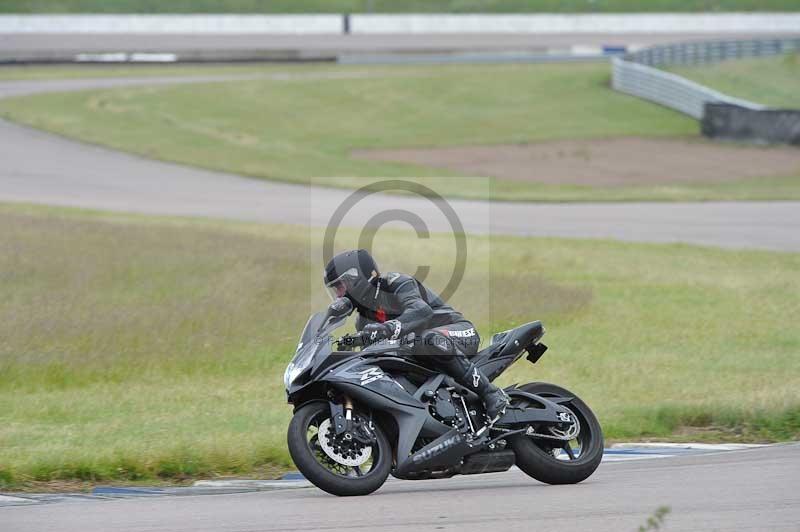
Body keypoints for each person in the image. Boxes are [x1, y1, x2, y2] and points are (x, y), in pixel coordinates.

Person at [323, 249, 508, 423]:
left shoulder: (394, 282)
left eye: (340, 286)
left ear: (357, 278)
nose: (338, 295)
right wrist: (349, 344)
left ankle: (491, 393)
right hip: (423, 351)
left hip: (457, 332)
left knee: (430, 339)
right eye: (334, 290)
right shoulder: (363, 321)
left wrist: (387, 328)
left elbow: (421, 311)